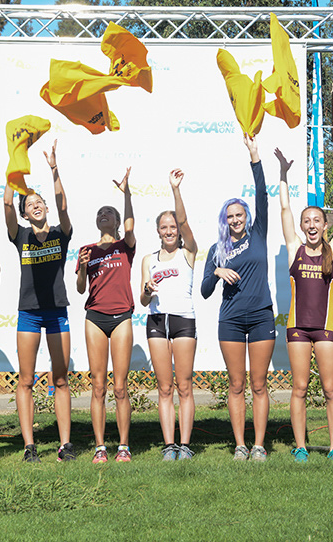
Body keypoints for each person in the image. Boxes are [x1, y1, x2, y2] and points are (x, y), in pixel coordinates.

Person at [276, 145, 333, 462]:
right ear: (302, 227)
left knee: (330, 390)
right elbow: (284, 211)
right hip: (297, 329)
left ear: (325, 226)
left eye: (317, 221)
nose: (312, 225)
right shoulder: (294, 249)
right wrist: (283, 174)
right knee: (298, 388)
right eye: (307, 221)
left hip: (326, 329)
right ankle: (300, 446)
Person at [200, 134, 274, 462]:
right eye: (229, 216)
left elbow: (262, 195)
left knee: (259, 384)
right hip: (230, 320)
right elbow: (203, 291)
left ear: (246, 216)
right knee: (236, 383)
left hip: (260, 316)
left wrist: (255, 157)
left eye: (239, 214)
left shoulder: (258, 233)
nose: (235, 220)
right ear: (224, 220)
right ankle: (240, 445)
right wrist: (216, 273)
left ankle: (259, 445)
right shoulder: (218, 250)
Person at [3, 139, 75, 463]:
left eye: (39, 201)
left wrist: (54, 168)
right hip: (29, 315)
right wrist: (13, 169)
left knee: (60, 379)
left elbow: (62, 204)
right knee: (26, 380)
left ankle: (65, 445)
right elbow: (7, 207)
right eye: (29, 202)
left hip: (57, 313)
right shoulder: (19, 235)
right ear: (24, 212)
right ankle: (29, 447)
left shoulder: (61, 233)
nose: (36, 204)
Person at [76, 168, 136, 463]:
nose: (103, 215)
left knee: (120, 386)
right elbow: (78, 289)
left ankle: (123, 446)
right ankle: (101, 447)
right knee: (98, 385)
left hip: (122, 316)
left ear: (115, 221)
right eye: (100, 212)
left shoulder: (125, 246)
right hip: (95, 318)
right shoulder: (86, 249)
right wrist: (84, 267)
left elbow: (130, 223)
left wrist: (125, 193)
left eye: (108, 212)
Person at [139, 169, 198, 461]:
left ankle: (185, 445)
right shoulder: (148, 259)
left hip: (183, 320)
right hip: (157, 321)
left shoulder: (189, 253)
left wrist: (175, 190)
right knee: (164, 387)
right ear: (158, 231)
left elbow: (185, 222)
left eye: (173, 227)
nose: (170, 231)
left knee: (184, 385)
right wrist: (148, 290)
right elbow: (142, 299)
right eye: (164, 227)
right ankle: (168, 446)